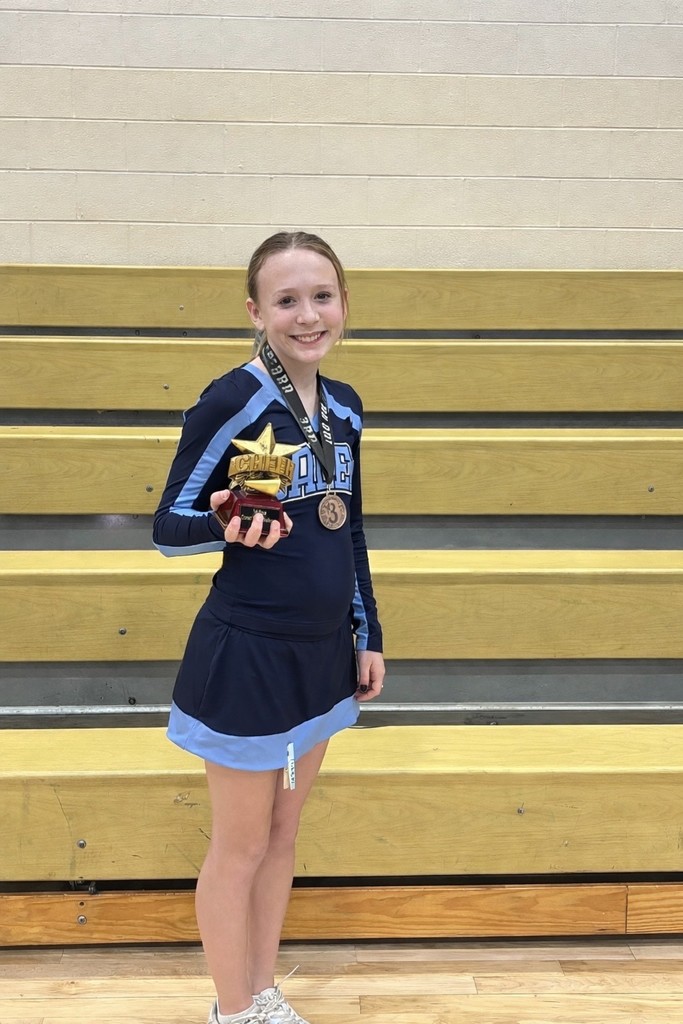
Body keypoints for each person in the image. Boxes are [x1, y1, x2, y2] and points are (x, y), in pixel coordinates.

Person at [153, 231, 385, 1024]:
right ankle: (230, 1010)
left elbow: (348, 528)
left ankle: (261, 992)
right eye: (286, 300)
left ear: (343, 305)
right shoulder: (234, 400)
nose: (307, 314)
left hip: (320, 658)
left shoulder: (346, 405)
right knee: (242, 846)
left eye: (321, 296)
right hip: (247, 659)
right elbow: (166, 525)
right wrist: (221, 521)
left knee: (284, 835)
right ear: (256, 311)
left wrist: (367, 632)